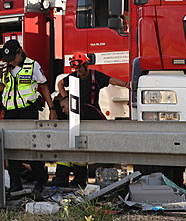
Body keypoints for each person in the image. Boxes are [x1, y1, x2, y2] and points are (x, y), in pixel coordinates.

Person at [0, 39, 56, 193]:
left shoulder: (33, 66)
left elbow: (44, 87)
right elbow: (5, 89)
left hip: (28, 111)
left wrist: (52, 108)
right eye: (8, 60)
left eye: (13, 59)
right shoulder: (6, 68)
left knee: (32, 148)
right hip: (10, 113)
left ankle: (41, 182)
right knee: (12, 150)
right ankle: (16, 185)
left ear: (20, 52)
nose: (11, 62)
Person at [49, 51, 128, 187]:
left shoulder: (95, 76)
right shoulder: (73, 77)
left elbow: (111, 81)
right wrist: (65, 99)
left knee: (82, 148)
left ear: (86, 65)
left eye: (80, 67)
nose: (78, 71)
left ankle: (79, 179)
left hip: (90, 115)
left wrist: (127, 85)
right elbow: (60, 84)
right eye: (76, 68)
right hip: (74, 116)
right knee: (68, 145)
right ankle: (62, 178)